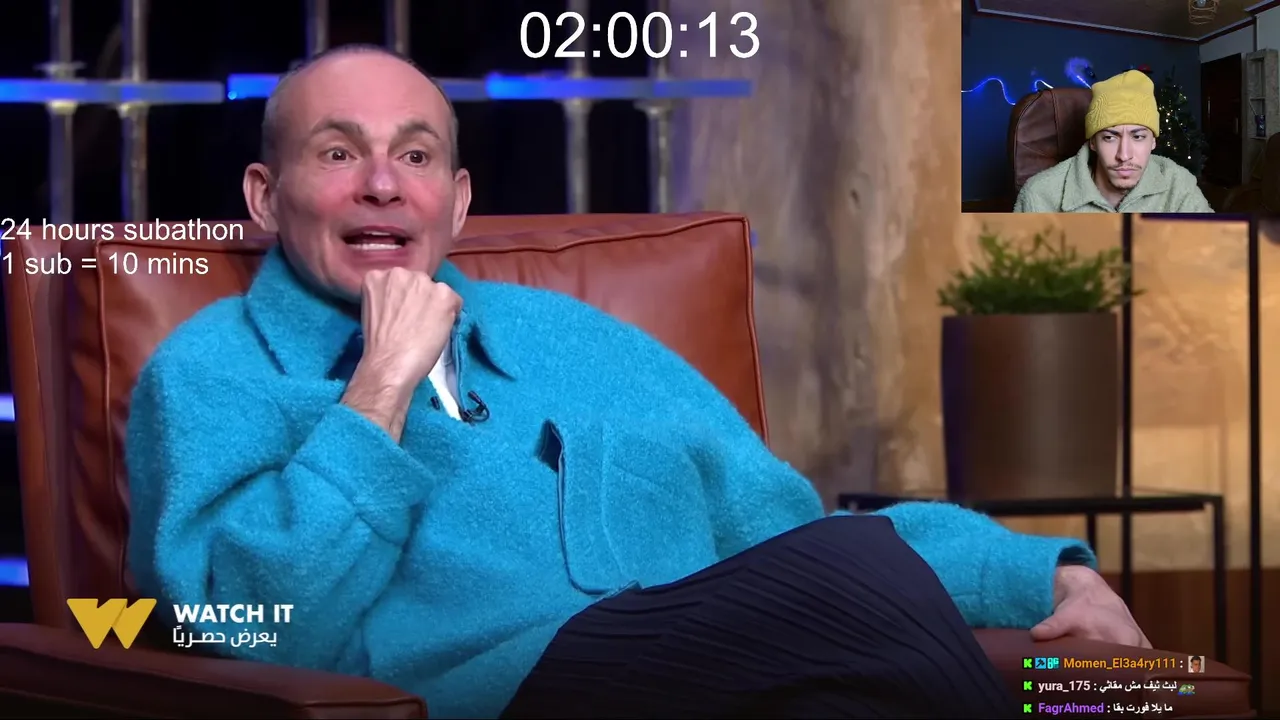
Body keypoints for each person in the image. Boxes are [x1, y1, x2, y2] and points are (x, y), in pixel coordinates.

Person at [125, 44, 1149, 719]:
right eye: (338, 152)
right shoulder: (209, 373)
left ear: (458, 202)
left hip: (706, 670)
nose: (383, 183)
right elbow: (245, 631)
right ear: (267, 197)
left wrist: (1043, 576)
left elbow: (785, 533)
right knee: (853, 578)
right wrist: (378, 390)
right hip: (500, 692)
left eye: (417, 155)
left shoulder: (579, 340)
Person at [1013, 69, 1213, 213]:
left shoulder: (1178, 185)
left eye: (1138, 137)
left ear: (1153, 141)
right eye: (1109, 137)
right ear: (1093, 142)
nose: (1124, 155)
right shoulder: (1039, 196)